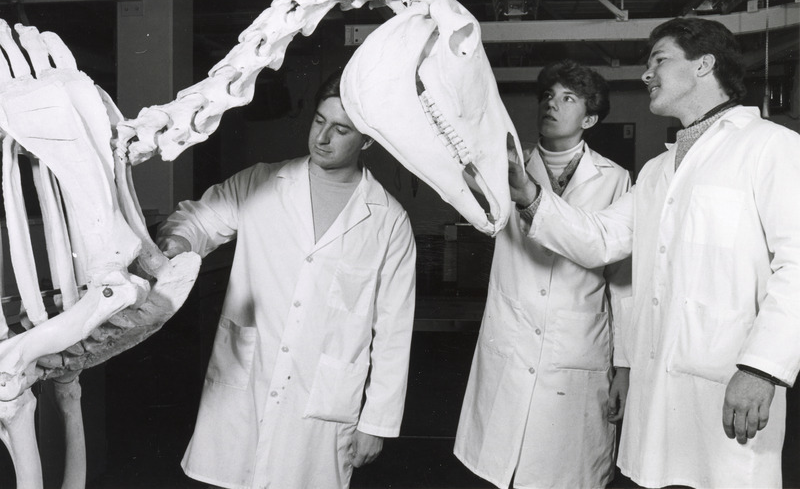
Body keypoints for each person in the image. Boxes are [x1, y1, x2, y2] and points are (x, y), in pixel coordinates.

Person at [509, 17, 800, 488]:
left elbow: (798, 266)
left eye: (659, 60)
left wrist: (762, 369)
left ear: (704, 65)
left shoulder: (772, 147)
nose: (646, 74)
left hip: (728, 381)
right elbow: (600, 238)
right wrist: (530, 196)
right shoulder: (657, 171)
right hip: (659, 391)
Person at [156, 71, 417, 489]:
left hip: (321, 399)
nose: (322, 138)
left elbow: (394, 330)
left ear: (368, 141)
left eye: (341, 129)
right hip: (246, 377)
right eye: (318, 121)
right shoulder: (260, 182)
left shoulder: (388, 221)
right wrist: (177, 245)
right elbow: (199, 220)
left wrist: (377, 423)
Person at [454, 60, 632, 489]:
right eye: (548, 97)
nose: (552, 105)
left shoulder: (615, 179)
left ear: (589, 118)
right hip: (511, 338)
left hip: (575, 348)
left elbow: (622, 282)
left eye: (567, 98)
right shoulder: (503, 169)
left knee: (565, 472)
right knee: (503, 469)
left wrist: (624, 365)